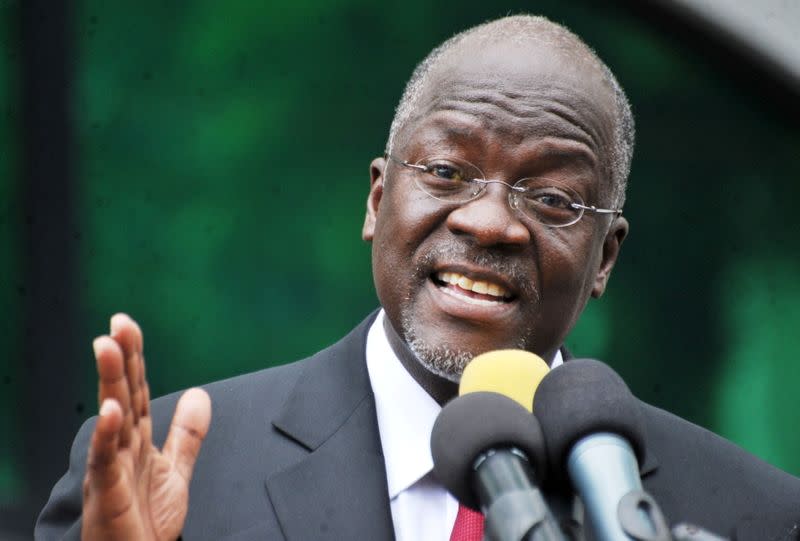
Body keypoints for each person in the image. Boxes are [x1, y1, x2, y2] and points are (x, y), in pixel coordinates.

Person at [35, 14, 800, 541]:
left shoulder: (748, 513)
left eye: (553, 198)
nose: (489, 222)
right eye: (445, 169)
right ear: (377, 199)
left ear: (604, 256)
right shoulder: (174, 477)